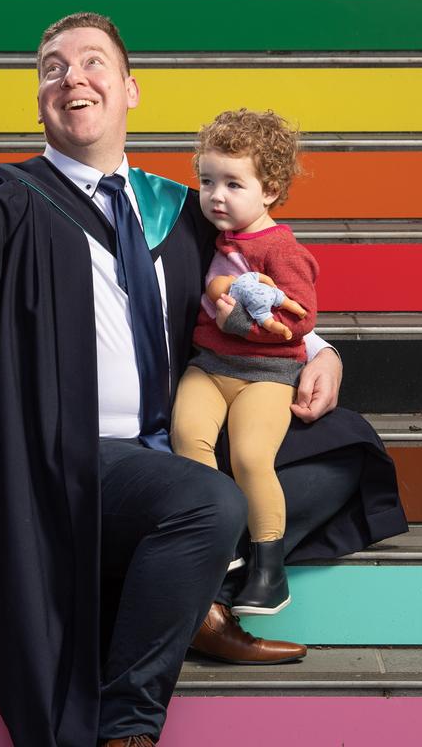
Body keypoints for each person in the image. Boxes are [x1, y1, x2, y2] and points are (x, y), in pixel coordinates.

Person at [0, 0, 407, 747]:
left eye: (91, 62)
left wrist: (320, 349)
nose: (70, 77)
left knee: (345, 453)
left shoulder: (177, 206)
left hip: (177, 442)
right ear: (40, 99)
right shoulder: (9, 203)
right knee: (211, 503)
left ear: (131, 90)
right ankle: (129, 721)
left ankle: (190, 592)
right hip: (70, 459)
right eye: (51, 68)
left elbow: (248, 292)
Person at [172, 109, 318, 616]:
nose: (216, 195)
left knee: (252, 458)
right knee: (188, 439)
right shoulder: (218, 238)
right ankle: (222, 545)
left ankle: (269, 566)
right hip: (209, 367)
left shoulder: (282, 247)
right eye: (208, 180)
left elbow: (298, 322)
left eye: (234, 184)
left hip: (266, 376)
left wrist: (237, 319)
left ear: (270, 189)